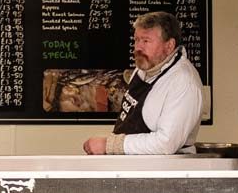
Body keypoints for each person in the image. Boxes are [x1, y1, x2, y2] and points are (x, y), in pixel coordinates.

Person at [83, 11, 207, 155]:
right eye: (136, 40)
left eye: (146, 41)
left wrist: (110, 145)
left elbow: (165, 144)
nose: (138, 48)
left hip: (159, 173)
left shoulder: (184, 82)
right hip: (132, 167)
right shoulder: (145, 66)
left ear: (169, 45)